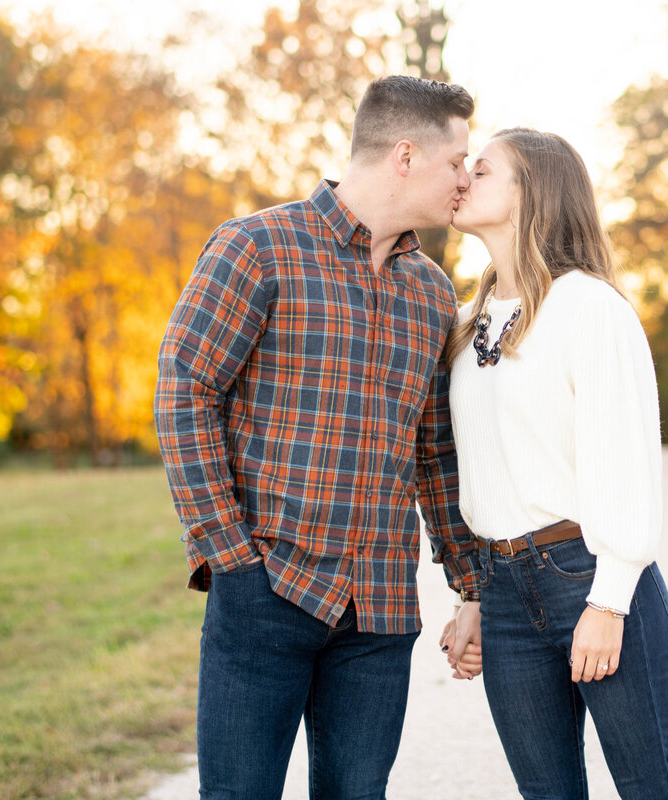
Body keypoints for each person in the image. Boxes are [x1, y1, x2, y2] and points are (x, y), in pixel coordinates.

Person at [153, 76, 483, 800]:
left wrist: (470, 585)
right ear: (405, 155)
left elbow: (435, 451)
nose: (468, 178)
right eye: (458, 160)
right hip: (265, 589)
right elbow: (185, 391)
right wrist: (231, 560)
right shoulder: (258, 247)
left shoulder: (431, 291)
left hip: (379, 612)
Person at [440, 128, 668, 800]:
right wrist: (471, 595)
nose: (462, 178)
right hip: (502, 593)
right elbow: (479, 470)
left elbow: (629, 465)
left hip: (587, 578)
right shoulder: (467, 324)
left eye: (483, 169)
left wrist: (609, 603)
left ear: (534, 194)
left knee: (650, 788)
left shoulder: (590, 308)